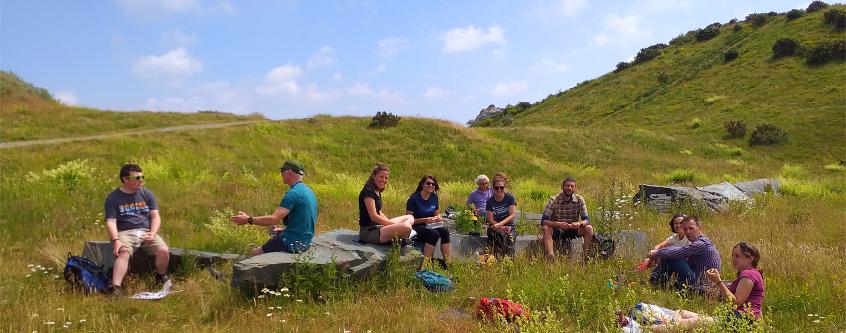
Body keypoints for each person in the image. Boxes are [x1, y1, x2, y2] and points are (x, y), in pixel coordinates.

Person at [104, 163, 170, 296]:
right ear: (125, 179)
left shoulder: (147, 194)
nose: (141, 181)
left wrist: (153, 233)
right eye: (137, 178)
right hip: (125, 232)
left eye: (142, 177)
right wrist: (116, 240)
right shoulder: (113, 198)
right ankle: (115, 287)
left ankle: (160, 276)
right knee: (123, 253)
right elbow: (111, 222)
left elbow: (155, 217)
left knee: (163, 250)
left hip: (145, 231)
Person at [231, 160, 318, 256]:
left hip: (292, 242)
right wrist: (283, 230)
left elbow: (274, 219)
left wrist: (248, 220)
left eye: (282, 171)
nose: (281, 175)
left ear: (289, 172)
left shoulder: (293, 193)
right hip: (305, 242)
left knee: (255, 254)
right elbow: (304, 221)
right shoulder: (309, 191)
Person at [650, 216, 721, 291]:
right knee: (671, 256)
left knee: (674, 258)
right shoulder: (700, 241)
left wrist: (656, 253)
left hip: (702, 284)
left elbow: (675, 253)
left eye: (691, 228)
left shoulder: (700, 244)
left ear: (699, 227)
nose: (688, 232)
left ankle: (655, 283)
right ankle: (657, 283)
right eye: (685, 229)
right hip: (698, 279)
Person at [706, 242, 765, 322]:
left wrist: (718, 281)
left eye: (737, 256)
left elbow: (736, 303)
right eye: (732, 256)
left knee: (687, 322)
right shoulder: (752, 273)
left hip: (743, 318)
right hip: (740, 317)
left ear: (750, 259)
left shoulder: (749, 274)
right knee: (683, 313)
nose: (733, 259)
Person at [358, 163, 416, 244]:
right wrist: (392, 225)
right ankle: (400, 239)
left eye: (386, 178)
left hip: (379, 227)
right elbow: (374, 217)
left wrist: (391, 224)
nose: (384, 180)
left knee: (410, 217)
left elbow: (379, 212)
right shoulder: (368, 190)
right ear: (374, 176)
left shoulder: (377, 189)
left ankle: (399, 237)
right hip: (369, 231)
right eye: (381, 177)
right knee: (407, 227)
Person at [540, 177, 594, 262]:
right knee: (546, 228)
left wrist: (579, 224)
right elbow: (543, 221)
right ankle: (551, 256)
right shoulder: (554, 199)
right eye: (567, 186)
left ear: (575, 188)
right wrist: (558, 224)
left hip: (573, 228)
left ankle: (586, 257)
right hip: (557, 230)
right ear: (562, 187)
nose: (569, 188)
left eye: (572, 186)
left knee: (589, 228)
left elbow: (587, 220)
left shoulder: (580, 199)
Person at [406, 175, 451, 270]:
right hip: (416, 226)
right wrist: (425, 219)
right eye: (428, 183)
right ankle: (424, 265)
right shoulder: (414, 198)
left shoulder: (434, 197)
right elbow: (408, 219)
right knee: (433, 234)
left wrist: (438, 218)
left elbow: (436, 214)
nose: (431, 185)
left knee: (444, 231)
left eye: (433, 184)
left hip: (430, 225)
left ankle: (448, 263)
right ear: (422, 184)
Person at [485, 173, 517, 257]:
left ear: (504, 187)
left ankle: (509, 262)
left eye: (501, 187)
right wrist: (500, 226)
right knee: (501, 236)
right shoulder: (490, 201)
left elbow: (512, 215)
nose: (499, 190)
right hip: (495, 227)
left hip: (509, 226)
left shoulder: (510, 198)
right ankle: (501, 259)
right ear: (493, 188)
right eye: (497, 188)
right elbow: (490, 219)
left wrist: (501, 224)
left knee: (510, 238)